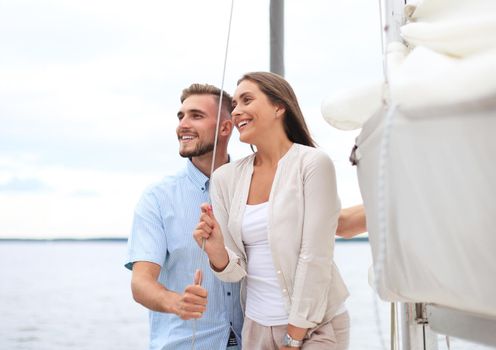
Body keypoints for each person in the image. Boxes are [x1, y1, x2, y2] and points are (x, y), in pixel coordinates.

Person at [126, 81, 366, 350]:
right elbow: (141, 282)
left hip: (254, 337)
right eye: (181, 116)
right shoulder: (158, 199)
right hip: (191, 343)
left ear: (226, 127)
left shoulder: (262, 176)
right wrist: (175, 302)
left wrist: (398, 204)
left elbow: (330, 226)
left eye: (196, 116)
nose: (183, 124)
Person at [193, 72, 350, 350]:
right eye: (234, 104)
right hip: (256, 329)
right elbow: (234, 271)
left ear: (279, 107)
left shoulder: (312, 164)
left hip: (315, 327)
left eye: (247, 100)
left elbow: (316, 255)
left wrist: (293, 337)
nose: (236, 110)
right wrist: (216, 251)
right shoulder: (225, 178)